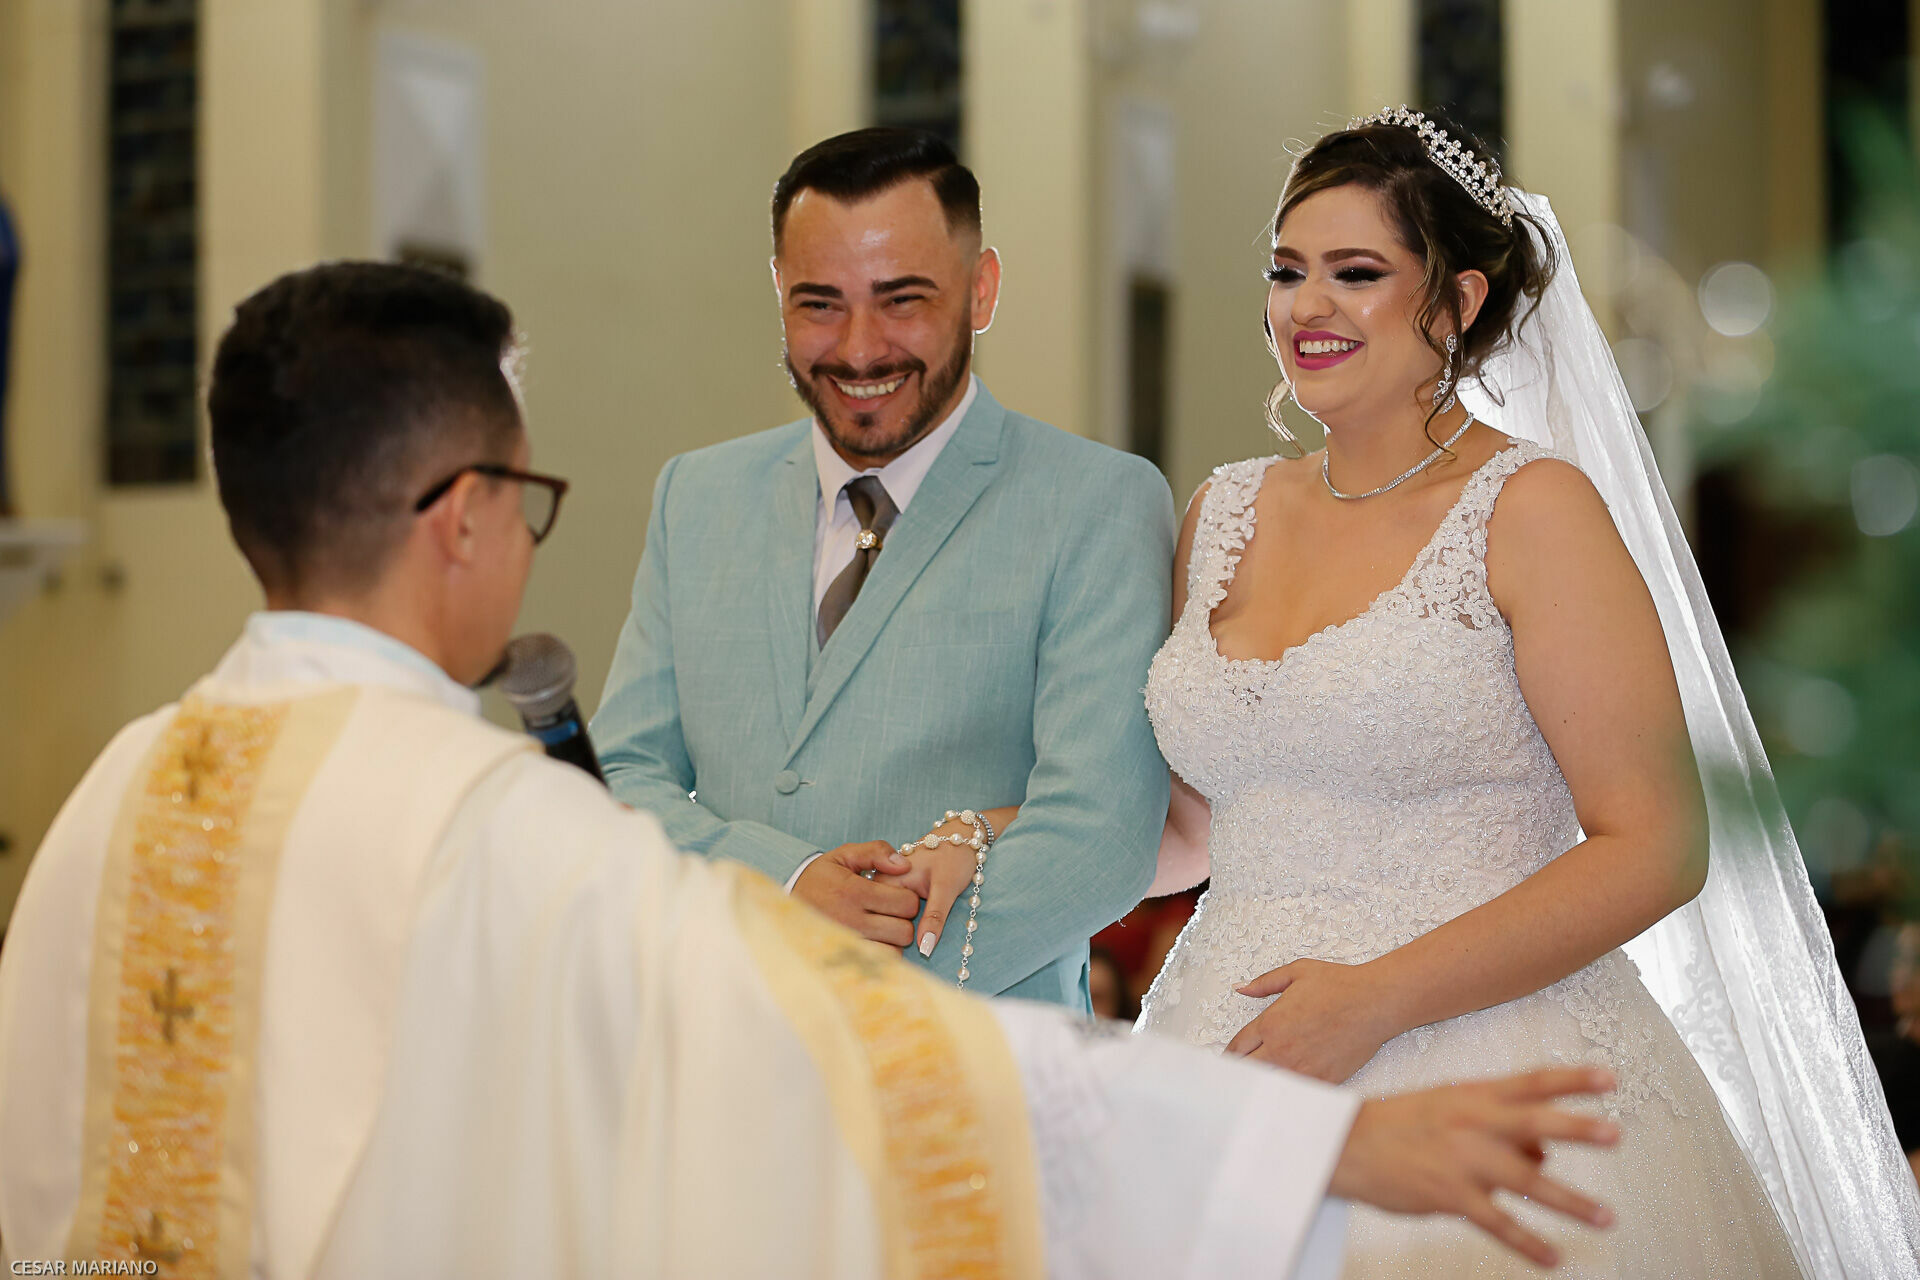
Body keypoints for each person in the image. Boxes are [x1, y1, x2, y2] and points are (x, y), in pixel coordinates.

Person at [0, 261, 1625, 1278]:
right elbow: (848, 1046)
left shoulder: (116, 798)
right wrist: (1300, 1150)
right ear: (467, 517)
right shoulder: (480, 826)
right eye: (528, 495)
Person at [1134, 108, 1920, 1276]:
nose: (1308, 306)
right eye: (1288, 271)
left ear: (1457, 301)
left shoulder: (1530, 510)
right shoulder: (1221, 511)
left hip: (1488, 1052)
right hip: (1225, 1052)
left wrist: (1377, 998)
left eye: (1357, 273)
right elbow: (1198, 825)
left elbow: (1658, 841)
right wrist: (983, 864)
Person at [590, 128, 1173, 1007]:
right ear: (778, 292)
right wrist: (782, 886)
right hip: (715, 1039)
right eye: (819, 304)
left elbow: (1100, 837)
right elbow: (621, 779)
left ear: (981, 290)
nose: (859, 349)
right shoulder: (697, 495)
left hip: (972, 1053)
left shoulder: (1098, 501)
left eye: (902, 300)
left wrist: (840, 991)